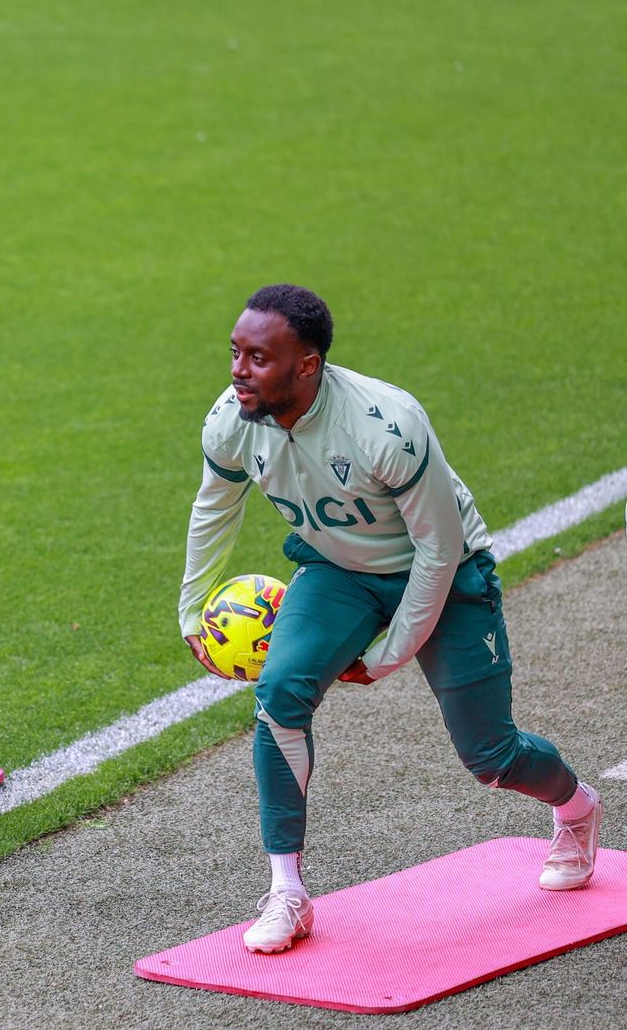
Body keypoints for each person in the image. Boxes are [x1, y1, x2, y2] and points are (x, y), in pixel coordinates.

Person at [178, 283, 602, 953]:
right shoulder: (234, 417)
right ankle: (287, 892)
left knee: (489, 757)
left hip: (444, 573)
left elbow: (436, 550)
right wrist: (189, 615)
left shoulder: (386, 424)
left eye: (259, 358)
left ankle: (576, 809)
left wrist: (386, 657)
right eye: (235, 353)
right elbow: (214, 507)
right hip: (338, 571)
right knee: (280, 693)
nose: (238, 371)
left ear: (307, 365)